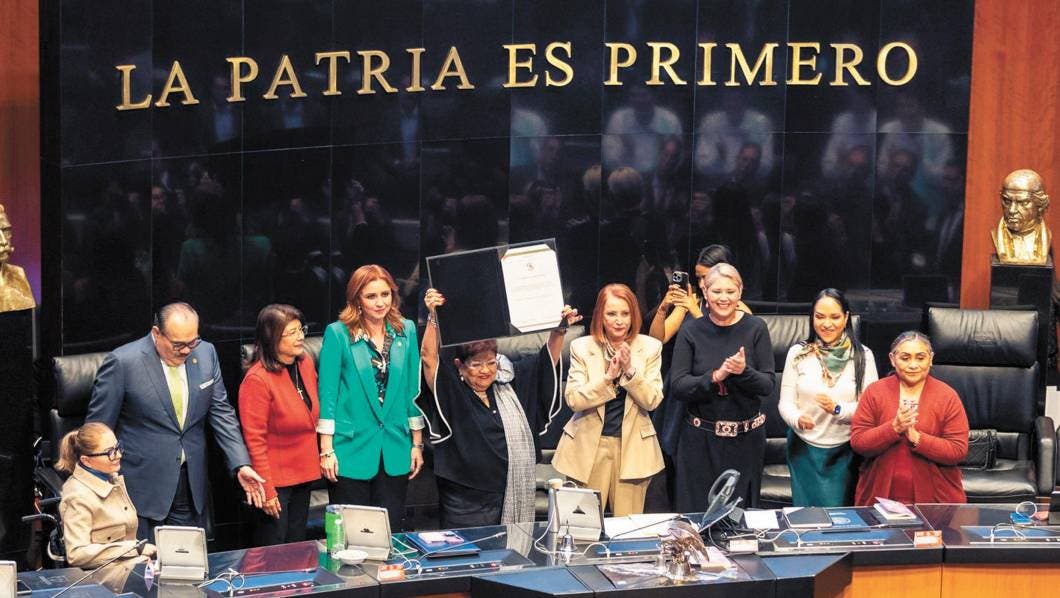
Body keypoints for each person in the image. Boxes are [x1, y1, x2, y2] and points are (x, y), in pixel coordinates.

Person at [87, 302, 266, 540]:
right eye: (178, 345)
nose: (186, 351)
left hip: (188, 483)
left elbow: (221, 412)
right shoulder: (123, 362)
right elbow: (96, 431)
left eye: (192, 342)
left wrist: (241, 464)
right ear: (156, 333)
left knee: (186, 559)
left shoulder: (206, 353)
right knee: (143, 561)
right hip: (139, 487)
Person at [421, 288, 581, 527]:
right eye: (476, 364)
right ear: (459, 365)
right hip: (466, 501)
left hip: (511, 491)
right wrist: (433, 316)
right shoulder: (453, 389)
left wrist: (559, 331)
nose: (485, 370)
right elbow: (428, 358)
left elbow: (546, 363)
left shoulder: (509, 383)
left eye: (490, 362)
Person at [317, 265, 424, 532]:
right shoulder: (338, 333)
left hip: (395, 446)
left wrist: (417, 444)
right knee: (351, 536)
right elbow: (328, 396)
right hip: (350, 448)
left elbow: (412, 391)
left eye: (385, 294)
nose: (380, 303)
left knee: (390, 533)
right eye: (371, 296)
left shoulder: (406, 330)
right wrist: (326, 450)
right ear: (357, 300)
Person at [552, 284, 664, 516]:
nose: (619, 321)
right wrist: (607, 378)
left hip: (633, 449)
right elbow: (573, 399)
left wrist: (630, 371)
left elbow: (652, 400)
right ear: (600, 316)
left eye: (625, 313)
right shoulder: (581, 347)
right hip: (587, 446)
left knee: (627, 528)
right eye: (612, 314)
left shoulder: (650, 347)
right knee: (584, 527)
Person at [669, 263, 774, 510]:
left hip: (746, 442)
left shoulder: (756, 327)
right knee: (697, 518)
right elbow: (679, 385)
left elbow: (767, 384)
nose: (723, 298)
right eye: (716, 291)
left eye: (730, 291)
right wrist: (716, 376)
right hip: (700, 442)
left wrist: (742, 371)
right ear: (705, 292)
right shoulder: (690, 331)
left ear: (740, 292)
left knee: (740, 521)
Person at [778, 289, 878, 507]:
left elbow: (870, 409)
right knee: (806, 517)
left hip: (846, 452)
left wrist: (838, 409)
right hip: (804, 449)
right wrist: (797, 418)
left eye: (834, 317)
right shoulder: (798, 353)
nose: (827, 324)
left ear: (846, 317)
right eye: (820, 316)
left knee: (840, 518)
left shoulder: (863, 356)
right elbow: (785, 403)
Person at [850, 332, 969, 505]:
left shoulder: (947, 396)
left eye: (920, 358)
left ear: (930, 359)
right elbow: (858, 442)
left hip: (936, 501)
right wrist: (893, 428)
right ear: (892, 359)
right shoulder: (875, 392)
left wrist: (918, 439)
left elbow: (958, 450)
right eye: (905, 358)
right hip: (880, 495)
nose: (913, 365)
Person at [238, 304, 321, 546]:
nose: (300, 337)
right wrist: (267, 490)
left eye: (301, 330)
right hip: (275, 482)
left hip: (304, 474)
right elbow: (255, 441)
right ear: (271, 338)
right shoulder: (257, 379)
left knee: (297, 545)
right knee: (274, 549)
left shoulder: (305, 364)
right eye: (291, 333)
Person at [55, 423, 157, 568]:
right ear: (86, 461)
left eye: (118, 447)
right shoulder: (78, 496)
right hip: (103, 576)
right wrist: (134, 549)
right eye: (110, 452)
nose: (118, 455)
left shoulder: (111, 479)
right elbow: (77, 554)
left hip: (128, 567)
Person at [991, 169, 1051, 265]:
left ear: (1040, 205)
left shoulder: (1046, 237)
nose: (1012, 210)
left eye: (1023, 202)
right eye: (1007, 201)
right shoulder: (996, 235)